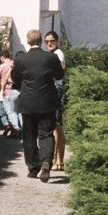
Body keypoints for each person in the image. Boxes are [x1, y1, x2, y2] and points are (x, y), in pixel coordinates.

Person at [10, 29, 65, 182]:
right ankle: (46, 161)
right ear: (41, 41)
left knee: (29, 136)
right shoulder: (51, 57)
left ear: (28, 41)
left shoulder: (21, 60)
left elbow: (15, 79)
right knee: (46, 133)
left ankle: (33, 168)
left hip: (27, 102)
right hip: (47, 102)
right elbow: (60, 75)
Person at [45, 31, 68, 171]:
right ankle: (59, 160)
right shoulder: (54, 54)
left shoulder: (57, 54)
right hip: (55, 90)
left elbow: (59, 72)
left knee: (56, 127)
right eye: (46, 41)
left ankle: (57, 160)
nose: (49, 43)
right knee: (57, 127)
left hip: (56, 90)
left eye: (51, 40)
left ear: (57, 41)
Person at [0, 49, 16, 137]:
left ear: (2, 57)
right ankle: (15, 130)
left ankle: (7, 125)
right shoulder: (15, 64)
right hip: (15, 90)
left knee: (3, 112)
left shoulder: (0, 67)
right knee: (14, 111)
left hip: (4, 92)